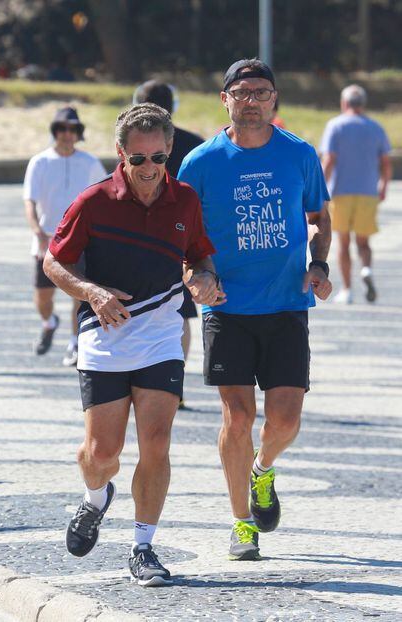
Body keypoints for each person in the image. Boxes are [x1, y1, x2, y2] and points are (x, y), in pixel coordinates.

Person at [43, 103, 222, 586]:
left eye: (158, 157)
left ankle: (143, 547)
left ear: (168, 153)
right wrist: (92, 292)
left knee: (157, 443)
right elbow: (54, 262)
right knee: (102, 453)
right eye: (138, 159)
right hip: (104, 335)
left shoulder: (184, 200)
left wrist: (203, 280)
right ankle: (96, 497)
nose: (149, 168)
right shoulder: (94, 201)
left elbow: (199, 256)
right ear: (121, 154)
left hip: (162, 336)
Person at [178, 58, 332, 561]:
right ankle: (241, 523)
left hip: (287, 302)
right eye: (241, 92)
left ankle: (262, 470)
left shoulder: (299, 154)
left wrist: (320, 264)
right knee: (238, 415)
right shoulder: (200, 163)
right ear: (225, 99)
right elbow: (183, 235)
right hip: (228, 306)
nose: (251, 100)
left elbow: (319, 215)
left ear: (274, 100)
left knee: (286, 420)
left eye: (261, 92)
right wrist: (196, 274)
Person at [134, 80, 204, 408]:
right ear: (173, 106)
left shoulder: (130, 143)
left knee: (134, 311)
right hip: (183, 239)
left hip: (137, 238)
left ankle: (137, 381)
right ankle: (174, 383)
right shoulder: (194, 145)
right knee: (181, 314)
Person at [24, 106, 106, 365]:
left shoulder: (90, 163)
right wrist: (36, 230)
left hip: (81, 240)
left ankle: (75, 343)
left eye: (72, 129)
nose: (67, 134)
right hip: (47, 240)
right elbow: (30, 199)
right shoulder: (40, 161)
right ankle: (49, 323)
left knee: (77, 294)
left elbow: (104, 195)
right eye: (62, 128)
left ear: (78, 133)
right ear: (55, 131)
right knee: (43, 297)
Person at [320, 85, 392, 304]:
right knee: (363, 242)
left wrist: (320, 189)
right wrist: (383, 186)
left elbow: (329, 160)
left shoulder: (335, 125)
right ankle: (367, 269)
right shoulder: (376, 127)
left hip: (341, 192)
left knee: (343, 243)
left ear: (344, 103)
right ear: (363, 104)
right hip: (368, 193)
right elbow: (386, 163)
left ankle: (347, 289)